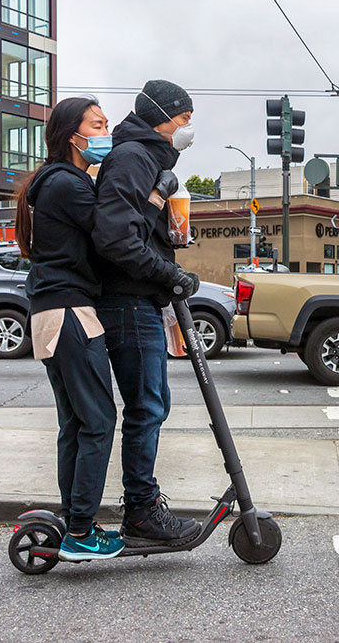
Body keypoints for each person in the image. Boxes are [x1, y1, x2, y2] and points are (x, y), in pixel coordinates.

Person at [14, 96, 125, 561]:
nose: (105, 130)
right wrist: (156, 196)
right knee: (99, 420)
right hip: (69, 313)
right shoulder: (68, 184)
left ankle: (76, 516)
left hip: (52, 312)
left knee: (77, 423)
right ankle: (81, 529)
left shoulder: (55, 182)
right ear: (72, 135)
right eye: (97, 123)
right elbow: (112, 235)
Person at [92, 79, 201, 547]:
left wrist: (168, 244)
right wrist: (166, 274)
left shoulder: (143, 159)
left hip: (138, 299)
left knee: (152, 406)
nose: (187, 131)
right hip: (129, 301)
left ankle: (143, 505)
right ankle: (141, 512)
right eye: (183, 121)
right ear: (162, 118)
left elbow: (135, 227)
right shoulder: (134, 158)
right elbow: (116, 238)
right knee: (147, 408)